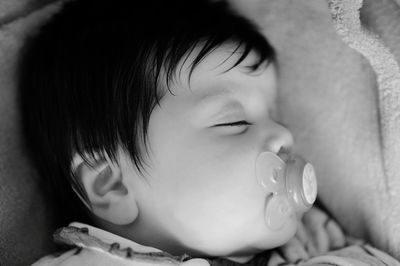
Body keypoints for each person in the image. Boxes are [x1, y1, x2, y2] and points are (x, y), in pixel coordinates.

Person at [19, 0, 399, 265]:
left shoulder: (316, 244)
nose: (284, 134)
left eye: (273, 113)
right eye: (234, 122)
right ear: (110, 184)